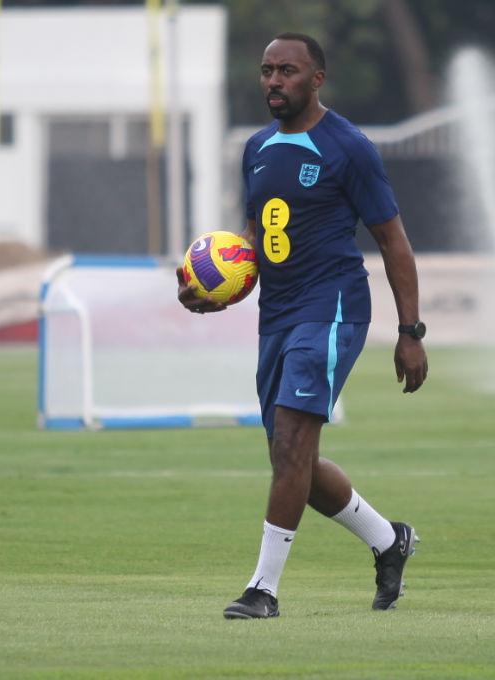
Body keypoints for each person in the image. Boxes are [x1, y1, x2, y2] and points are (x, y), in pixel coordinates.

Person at [176, 33, 429, 619]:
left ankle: (262, 590)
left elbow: (393, 241)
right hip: (278, 317)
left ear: (316, 79)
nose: (272, 81)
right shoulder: (257, 147)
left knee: (292, 443)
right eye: (266, 71)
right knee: (294, 463)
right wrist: (219, 291)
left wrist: (410, 332)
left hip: (334, 307)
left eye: (286, 71)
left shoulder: (348, 147)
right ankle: (390, 541)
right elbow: (256, 246)